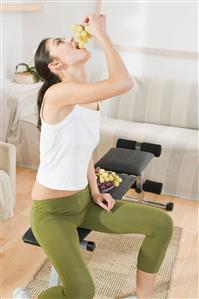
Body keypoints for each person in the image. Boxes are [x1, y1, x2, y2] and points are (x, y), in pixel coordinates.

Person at [13, 13, 173, 299]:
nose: (71, 38)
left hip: (84, 202)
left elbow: (84, 149)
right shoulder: (57, 94)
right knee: (82, 290)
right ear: (55, 64)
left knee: (161, 224)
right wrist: (102, 35)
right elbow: (124, 83)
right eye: (61, 41)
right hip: (52, 214)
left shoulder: (90, 97)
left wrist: (95, 189)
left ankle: (144, 296)